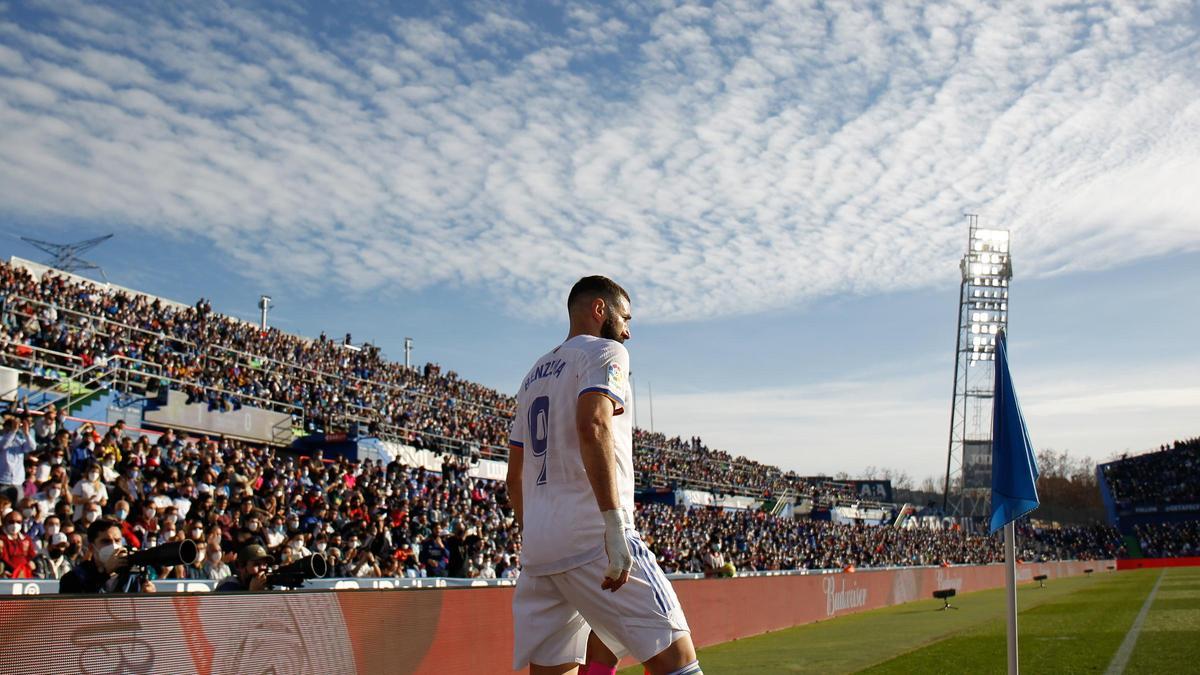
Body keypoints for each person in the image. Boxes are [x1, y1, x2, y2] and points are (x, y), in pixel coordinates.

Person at [507, 276, 700, 675]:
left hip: (540, 549)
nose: (627, 331)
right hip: (591, 534)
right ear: (600, 310)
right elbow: (593, 424)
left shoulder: (532, 375)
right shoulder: (605, 352)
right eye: (625, 318)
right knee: (677, 660)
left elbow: (515, 473)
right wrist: (612, 525)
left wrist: (538, 531)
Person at [59, 517, 156, 593]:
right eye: (106, 541)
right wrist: (105, 574)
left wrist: (148, 598)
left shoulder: (134, 576)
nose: (114, 546)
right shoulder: (74, 578)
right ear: (92, 548)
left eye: (117, 540)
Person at [0, 412, 37, 505]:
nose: (11, 429)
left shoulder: (19, 440)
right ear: (4, 428)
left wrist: (26, 433)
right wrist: (13, 431)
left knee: (18, 506)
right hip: (3, 480)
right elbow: (3, 445)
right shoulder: (1, 438)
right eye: (8, 427)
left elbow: (32, 447)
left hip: (18, 482)